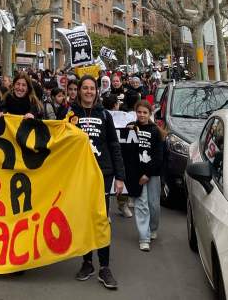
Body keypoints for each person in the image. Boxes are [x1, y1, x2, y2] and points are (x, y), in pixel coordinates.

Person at [69, 75, 125, 289]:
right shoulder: (70, 114)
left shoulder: (105, 115)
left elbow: (114, 144)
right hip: (79, 174)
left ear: (96, 91)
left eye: (92, 88)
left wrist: (120, 176)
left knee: (100, 219)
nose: (89, 92)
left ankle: (104, 267)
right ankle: (86, 263)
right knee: (84, 219)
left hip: (103, 173)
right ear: (79, 90)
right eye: (85, 88)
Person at [125, 100, 164, 252]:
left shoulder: (155, 131)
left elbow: (159, 156)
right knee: (141, 205)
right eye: (139, 112)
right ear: (136, 112)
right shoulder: (131, 127)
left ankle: (153, 228)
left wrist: (148, 173)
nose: (141, 115)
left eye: (145, 112)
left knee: (153, 205)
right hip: (136, 173)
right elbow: (127, 151)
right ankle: (144, 237)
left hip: (152, 174)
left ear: (150, 114)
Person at [102, 93, 134, 219]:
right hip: (107, 153)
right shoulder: (102, 115)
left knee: (121, 176)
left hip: (120, 152)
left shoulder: (125, 116)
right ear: (116, 105)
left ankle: (122, 204)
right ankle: (108, 208)